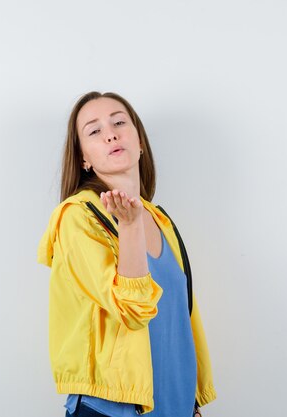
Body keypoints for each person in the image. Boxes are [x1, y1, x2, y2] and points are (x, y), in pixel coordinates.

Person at [37, 91, 216, 417]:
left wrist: (191, 402)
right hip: (111, 409)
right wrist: (130, 227)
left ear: (140, 142)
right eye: (94, 131)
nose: (110, 133)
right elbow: (132, 310)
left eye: (119, 122)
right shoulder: (76, 217)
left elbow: (179, 320)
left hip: (175, 406)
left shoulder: (160, 220)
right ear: (84, 159)